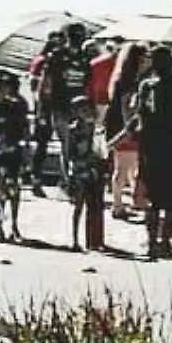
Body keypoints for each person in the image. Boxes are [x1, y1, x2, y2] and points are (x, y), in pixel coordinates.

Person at [126, 46, 172, 260]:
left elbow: (139, 112)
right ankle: (165, 242)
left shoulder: (146, 86)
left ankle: (153, 242)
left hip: (150, 147)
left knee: (153, 199)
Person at [30, 22, 92, 194]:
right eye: (74, 37)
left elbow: (87, 83)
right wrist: (42, 108)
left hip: (78, 108)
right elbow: (46, 83)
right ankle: (58, 180)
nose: (77, 41)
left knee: (76, 145)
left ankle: (71, 180)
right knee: (59, 143)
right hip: (58, 106)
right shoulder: (56, 56)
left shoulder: (85, 58)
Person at [0, 72, 30, 240]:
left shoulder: (16, 106)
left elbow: (23, 129)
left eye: (4, 87)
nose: (2, 90)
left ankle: (14, 225)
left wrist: (23, 149)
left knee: (14, 189)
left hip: (11, 153)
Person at [104, 42, 148, 220]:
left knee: (123, 166)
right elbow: (126, 106)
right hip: (124, 126)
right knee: (123, 166)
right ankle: (118, 204)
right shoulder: (129, 81)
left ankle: (120, 202)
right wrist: (130, 127)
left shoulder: (120, 78)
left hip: (117, 124)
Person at [63, 95, 107, 251]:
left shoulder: (97, 129)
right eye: (81, 110)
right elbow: (67, 153)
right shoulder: (73, 130)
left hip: (94, 170)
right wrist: (67, 173)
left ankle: (94, 241)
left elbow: (102, 151)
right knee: (78, 207)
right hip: (79, 170)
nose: (85, 112)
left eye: (87, 109)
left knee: (95, 206)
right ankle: (75, 240)